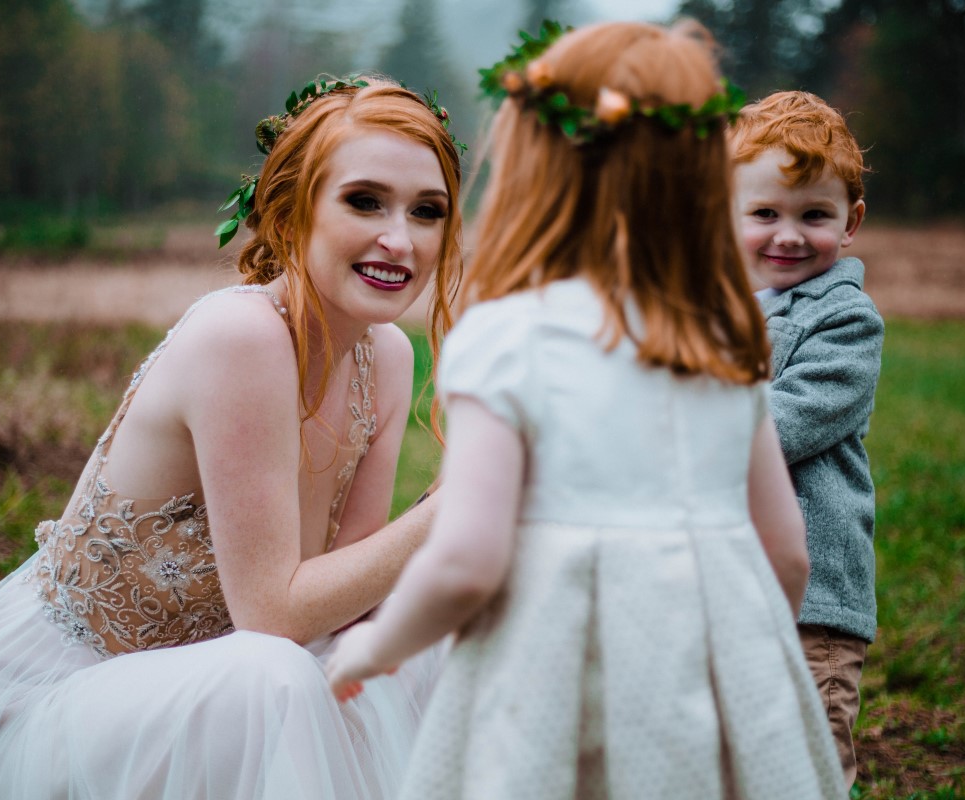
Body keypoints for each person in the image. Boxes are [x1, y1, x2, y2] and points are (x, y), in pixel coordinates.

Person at [0, 75, 464, 799]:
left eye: (427, 211)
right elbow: (277, 617)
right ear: (292, 210)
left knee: (441, 639)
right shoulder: (242, 337)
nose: (399, 238)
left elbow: (344, 604)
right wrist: (444, 513)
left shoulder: (387, 357)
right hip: (54, 703)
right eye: (364, 200)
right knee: (272, 674)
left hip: (223, 679)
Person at [326, 21, 846, 799]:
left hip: (551, 693)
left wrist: (381, 647)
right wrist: (746, 654)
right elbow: (786, 553)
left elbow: (468, 558)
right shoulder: (719, 335)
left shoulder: (508, 337)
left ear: (536, 172)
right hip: (715, 686)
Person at [729, 89, 883, 791]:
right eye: (765, 214)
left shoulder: (848, 321)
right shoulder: (731, 310)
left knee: (807, 755)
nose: (788, 235)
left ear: (849, 222)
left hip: (813, 606)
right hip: (734, 587)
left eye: (813, 215)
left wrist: (680, 409)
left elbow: (782, 423)